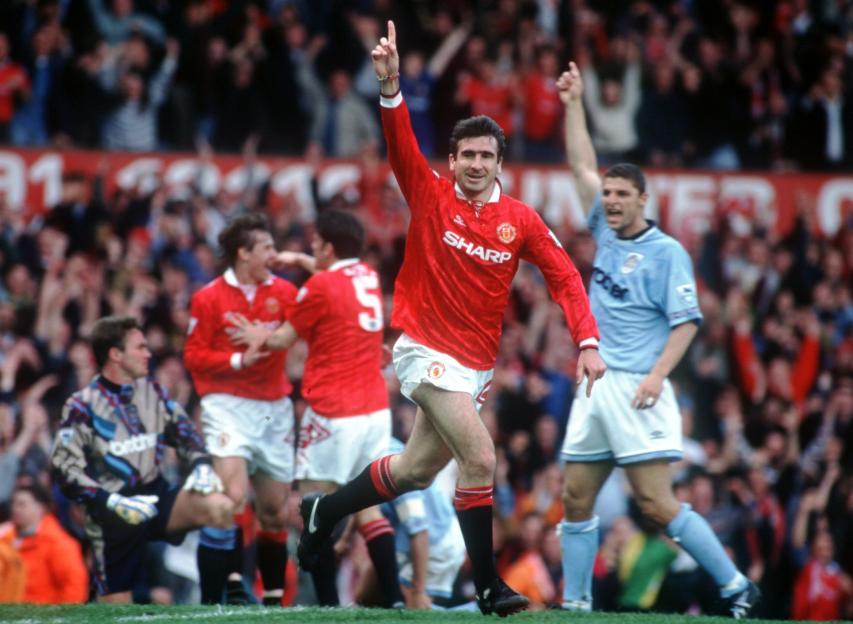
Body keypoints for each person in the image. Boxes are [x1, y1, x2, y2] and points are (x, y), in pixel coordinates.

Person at [296, 21, 605, 618]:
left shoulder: (522, 220)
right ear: (454, 158)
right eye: (466, 154)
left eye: (486, 156)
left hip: (473, 364)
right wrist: (390, 86)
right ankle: (489, 586)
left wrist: (586, 340)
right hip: (421, 348)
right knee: (481, 458)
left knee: (414, 471)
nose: (475, 164)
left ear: (499, 162)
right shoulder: (430, 193)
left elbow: (566, 277)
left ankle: (324, 511)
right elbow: (399, 144)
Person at [556, 61, 760, 618]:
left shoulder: (667, 252)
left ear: (643, 199)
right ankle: (574, 604)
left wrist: (656, 375)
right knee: (575, 496)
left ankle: (735, 584)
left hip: (637, 385)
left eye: (623, 193)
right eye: (610, 193)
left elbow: (688, 322)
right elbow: (579, 164)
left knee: (655, 502)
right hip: (595, 383)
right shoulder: (602, 226)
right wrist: (574, 103)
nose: (612, 201)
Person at [228, 208, 404, 608]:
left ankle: (327, 607)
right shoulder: (368, 277)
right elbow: (333, 274)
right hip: (375, 410)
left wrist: (258, 332)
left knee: (314, 506)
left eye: (314, 245)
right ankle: (394, 601)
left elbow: (281, 340)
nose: (311, 249)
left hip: (334, 412)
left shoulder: (319, 289)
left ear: (327, 247)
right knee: (368, 510)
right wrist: (300, 261)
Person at [49, 315, 233, 602]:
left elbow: (187, 436)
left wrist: (201, 466)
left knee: (220, 506)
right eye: (140, 347)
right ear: (116, 354)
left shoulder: (154, 392)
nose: (148, 354)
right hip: (111, 512)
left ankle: (217, 601)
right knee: (118, 610)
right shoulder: (81, 406)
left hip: (156, 496)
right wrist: (110, 502)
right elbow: (64, 469)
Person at [184, 214, 297, 606]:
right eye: (266, 247)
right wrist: (238, 362)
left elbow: (312, 321)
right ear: (243, 253)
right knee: (231, 496)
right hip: (227, 403)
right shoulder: (208, 297)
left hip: (272, 408)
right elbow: (193, 355)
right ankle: (228, 587)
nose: (273, 253)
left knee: (274, 511)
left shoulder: (284, 291)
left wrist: (265, 338)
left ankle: (273, 601)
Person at [4, 483, 89, 603]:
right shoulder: (6, 539)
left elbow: (74, 586)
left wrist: (59, 618)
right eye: (13, 503)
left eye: (22, 504)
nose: (15, 508)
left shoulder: (58, 543)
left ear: (40, 507)